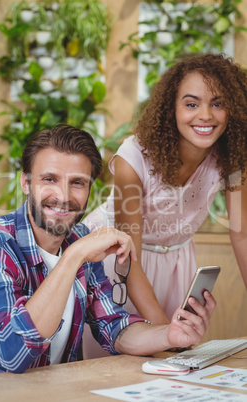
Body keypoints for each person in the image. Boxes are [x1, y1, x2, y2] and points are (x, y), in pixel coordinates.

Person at [0, 124, 216, 375]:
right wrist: (73, 256)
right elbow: (13, 355)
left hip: (53, 391)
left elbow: (115, 328)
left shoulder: (79, 239)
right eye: (50, 179)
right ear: (25, 183)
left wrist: (169, 335)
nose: (63, 195)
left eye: (78, 183)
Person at [82, 53, 247, 358]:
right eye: (191, 103)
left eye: (218, 103)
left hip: (177, 263)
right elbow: (128, 257)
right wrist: (167, 338)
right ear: (171, 108)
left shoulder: (230, 158)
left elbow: (241, 234)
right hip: (118, 263)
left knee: (165, 376)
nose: (206, 116)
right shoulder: (134, 157)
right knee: (124, 359)